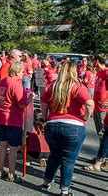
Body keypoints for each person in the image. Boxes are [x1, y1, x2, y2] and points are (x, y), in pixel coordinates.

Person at [40, 63, 94, 195]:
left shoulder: (54, 85)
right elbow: (89, 103)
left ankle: (46, 182)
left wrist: (45, 115)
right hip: (73, 125)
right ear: (74, 72)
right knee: (68, 160)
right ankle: (64, 190)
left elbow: (43, 101)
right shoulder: (78, 87)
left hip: (53, 124)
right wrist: (86, 117)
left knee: (54, 155)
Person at [0, 61, 34, 182]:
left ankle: (0, 171)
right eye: (22, 71)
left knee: (2, 144)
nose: (23, 74)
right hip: (12, 118)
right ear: (17, 72)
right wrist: (30, 98)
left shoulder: (2, 81)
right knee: (13, 147)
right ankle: (11, 174)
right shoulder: (16, 85)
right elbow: (22, 104)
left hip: (0, 115)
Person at [92, 54, 107, 139]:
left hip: (103, 109)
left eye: (94, 64)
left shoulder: (106, 72)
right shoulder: (99, 73)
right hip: (96, 107)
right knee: (100, 134)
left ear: (97, 62)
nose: (93, 67)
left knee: (104, 135)